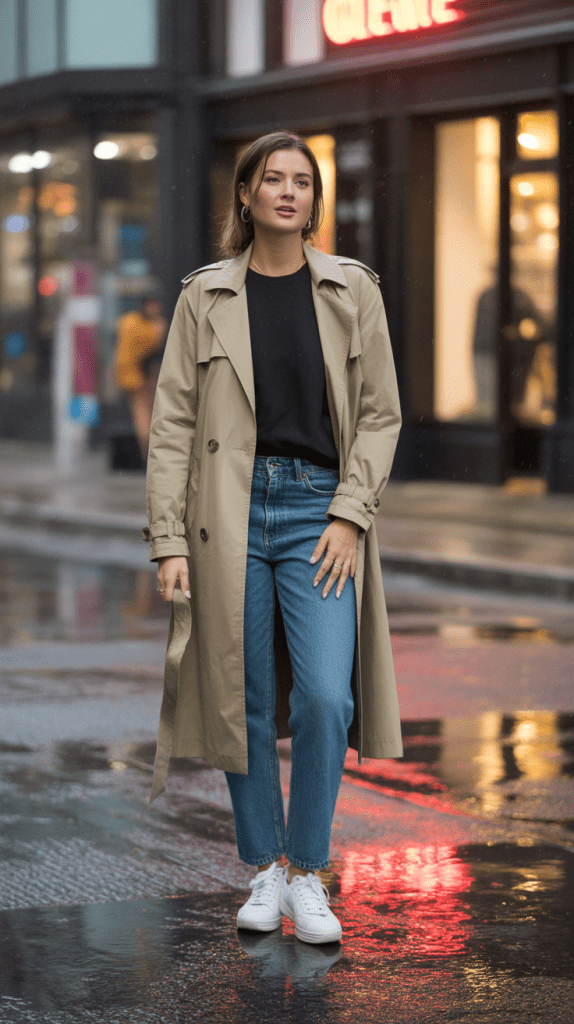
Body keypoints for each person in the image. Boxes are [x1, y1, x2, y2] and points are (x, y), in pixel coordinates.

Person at [143, 131, 403, 945]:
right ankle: (264, 866)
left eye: (302, 182)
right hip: (227, 512)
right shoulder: (206, 295)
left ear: (313, 201)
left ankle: (307, 871)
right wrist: (169, 538)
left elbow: (379, 414)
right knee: (243, 699)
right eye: (273, 180)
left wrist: (350, 514)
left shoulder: (351, 290)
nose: (288, 193)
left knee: (327, 695)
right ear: (247, 195)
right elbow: (174, 423)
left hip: (318, 510)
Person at [113, 295, 167, 459]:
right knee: (144, 414)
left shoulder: (128, 321)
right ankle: (149, 452)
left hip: (137, 375)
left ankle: (149, 452)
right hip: (142, 375)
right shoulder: (146, 326)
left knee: (145, 414)